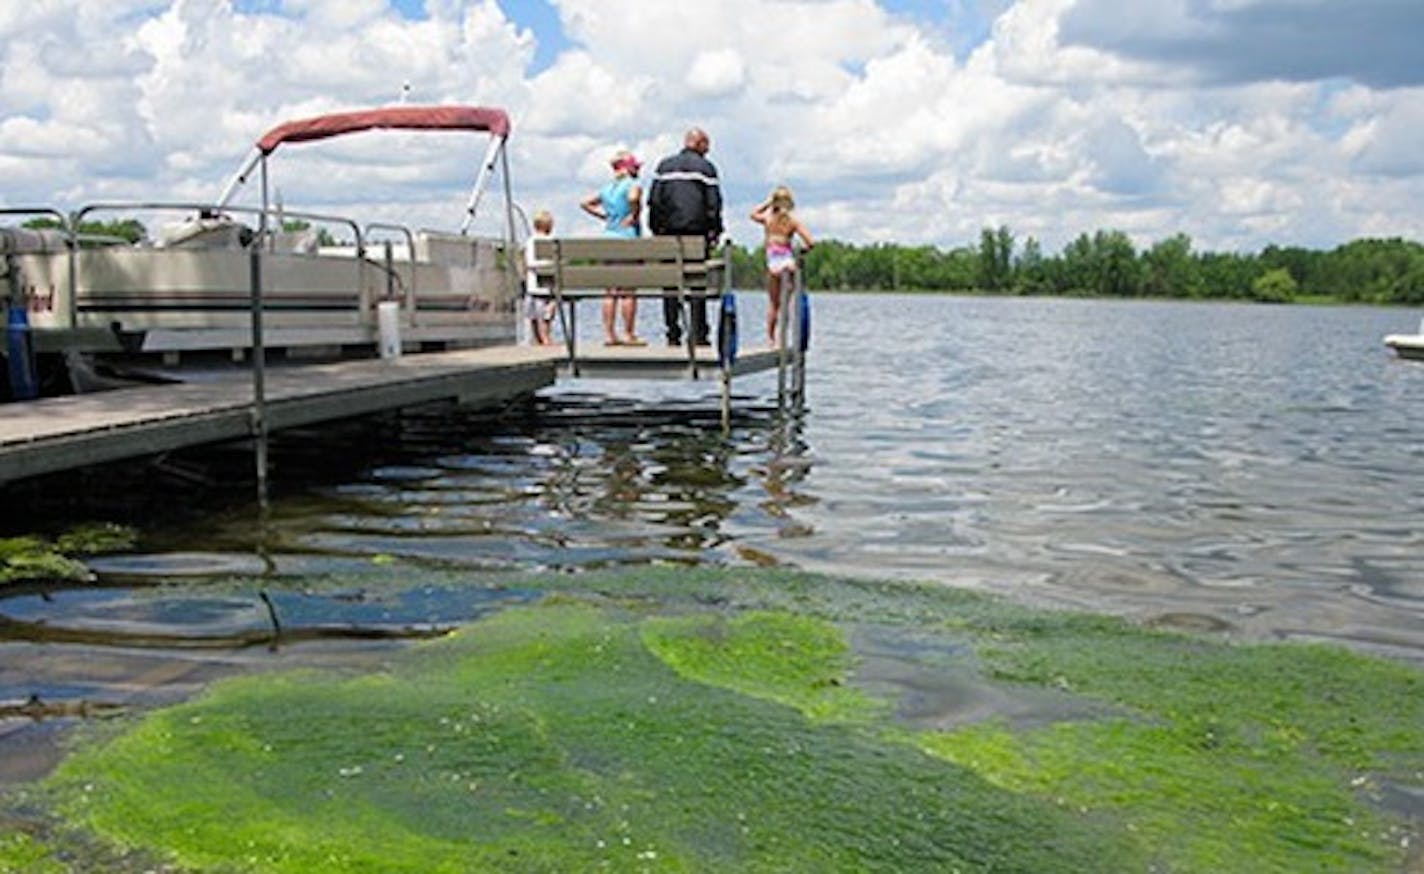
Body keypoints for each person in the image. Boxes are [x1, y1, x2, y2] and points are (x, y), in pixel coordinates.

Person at [648, 126, 723, 346]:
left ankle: (673, 332)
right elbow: (714, 204)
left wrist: (657, 229)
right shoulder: (706, 168)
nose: (708, 150)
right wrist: (714, 231)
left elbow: (654, 201)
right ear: (699, 144)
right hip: (696, 235)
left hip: (667, 235)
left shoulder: (664, 167)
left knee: (670, 284)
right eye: (707, 145)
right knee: (697, 283)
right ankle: (699, 333)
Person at [580, 149, 646, 346]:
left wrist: (604, 217)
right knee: (628, 290)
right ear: (628, 167)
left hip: (607, 238)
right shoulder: (632, 184)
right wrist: (634, 215)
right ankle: (628, 334)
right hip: (627, 240)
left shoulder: (607, 189)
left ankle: (609, 335)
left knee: (610, 291)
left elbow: (584, 203)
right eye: (635, 166)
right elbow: (634, 197)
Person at [750, 185, 814, 344]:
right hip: (787, 261)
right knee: (787, 304)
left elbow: (752, 214)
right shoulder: (792, 222)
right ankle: (785, 337)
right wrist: (802, 252)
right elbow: (811, 243)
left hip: (773, 263)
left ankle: (771, 339)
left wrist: (768, 203)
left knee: (774, 304)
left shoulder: (768, 219)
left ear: (775, 203)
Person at [523, 209, 557, 345]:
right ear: (549, 225)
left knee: (534, 316)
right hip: (546, 287)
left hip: (532, 287)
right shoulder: (552, 241)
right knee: (546, 316)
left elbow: (527, 263)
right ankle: (546, 338)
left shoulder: (530, 241)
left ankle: (538, 339)